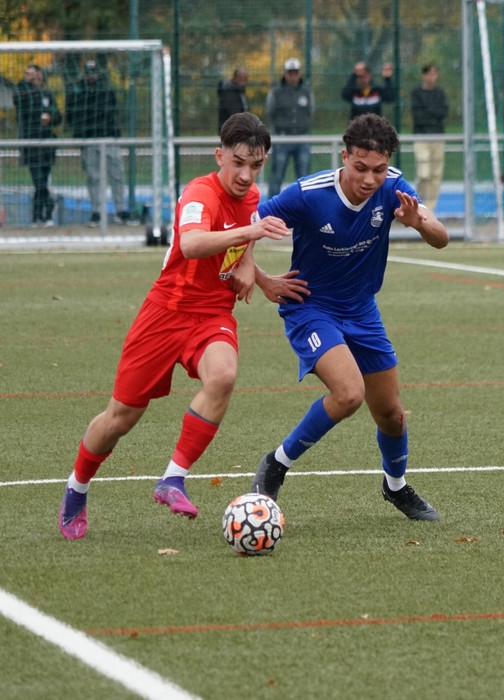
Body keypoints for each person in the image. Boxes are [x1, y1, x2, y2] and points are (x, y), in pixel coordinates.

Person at [58, 113, 309, 540]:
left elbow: (240, 237)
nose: (246, 175)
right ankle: (77, 487)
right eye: (238, 163)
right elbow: (192, 244)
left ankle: (173, 478)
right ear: (219, 156)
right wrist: (250, 234)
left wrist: (259, 275)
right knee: (121, 417)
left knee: (223, 375)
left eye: (256, 165)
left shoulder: (250, 197)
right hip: (165, 314)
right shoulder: (199, 194)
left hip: (212, 314)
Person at [250, 113, 449, 521]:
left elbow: (441, 237)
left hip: (362, 310)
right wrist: (262, 279)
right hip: (311, 308)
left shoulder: (395, 186)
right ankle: (276, 464)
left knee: (391, 415)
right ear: (344, 157)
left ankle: (395, 487)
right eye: (361, 167)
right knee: (348, 394)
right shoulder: (308, 194)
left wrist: (418, 223)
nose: (370, 179)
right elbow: (241, 228)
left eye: (379, 169)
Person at [65, 60, 130, 226]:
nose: (91, 76)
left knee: (117, 175)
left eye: (94, 73)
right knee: (93, 177)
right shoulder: (77, 90)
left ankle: (121, 210)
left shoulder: (107, 89)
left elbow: (113, 112)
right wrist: (80, 134)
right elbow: (71, 114)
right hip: (88, 138)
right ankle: (97, 212)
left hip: (108, 137)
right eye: (89, 73)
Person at [13, 64, 62, 227]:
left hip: (47, 144)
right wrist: (25, 81)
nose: (35, 77)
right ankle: (48, 207)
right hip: (30, 144)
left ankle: (38, 217)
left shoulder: (48, 94)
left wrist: (50, 118)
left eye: (36, 74)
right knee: (39, 181)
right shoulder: (23, 93)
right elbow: (17, 99)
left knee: (42, 181)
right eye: (30, 74)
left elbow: (58, 116)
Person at [265, 57, 314, 198]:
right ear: (285, 74)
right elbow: (270, 111)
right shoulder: (276, 92)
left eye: (295, 73)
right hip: (282, 139)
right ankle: (272, 204)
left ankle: (305, 204)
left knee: (304, 177)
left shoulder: (306, 92)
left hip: (302, 138)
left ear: (299, 74)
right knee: (277, 175)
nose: (293, 76)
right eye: (290, 73)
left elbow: (310, 111)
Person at [410, 62, 449, 212]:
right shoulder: (417, 93)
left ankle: (430, 209)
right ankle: (418, 204)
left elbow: (443, 113)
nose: (432, 77)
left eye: (434, 74)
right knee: (424, 173)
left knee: (435, 175)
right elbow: (418, 116)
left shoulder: (440, 93)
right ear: (424, 75)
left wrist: (429, 111)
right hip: (421, 137)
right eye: (429, 74)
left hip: (438, 137)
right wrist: (433, 113)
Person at [217, 67, 250, 133]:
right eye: (240, 77)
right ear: (234, 78)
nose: (243, 80)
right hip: (232, 130)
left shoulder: (239, 91)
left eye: (245, 78)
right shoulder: (229, 92)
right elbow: (234, 113)